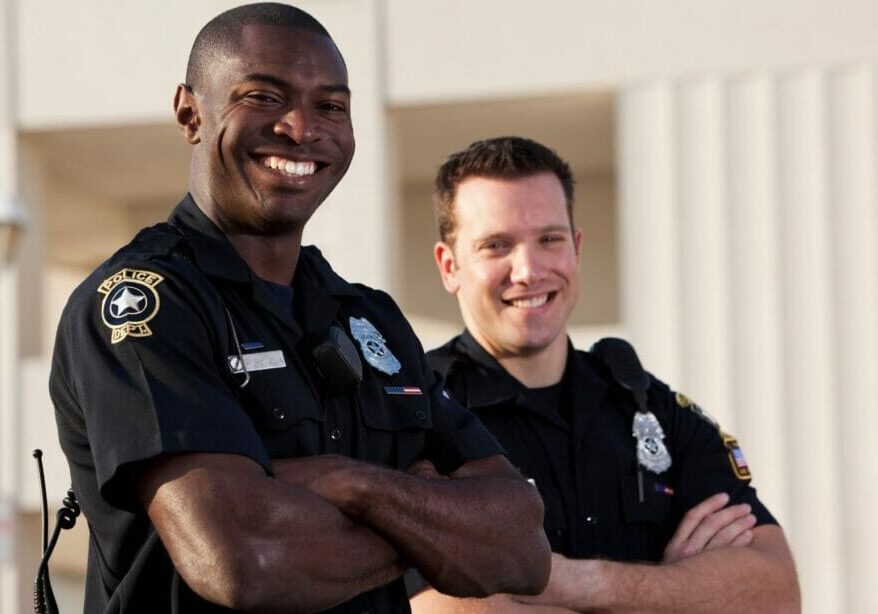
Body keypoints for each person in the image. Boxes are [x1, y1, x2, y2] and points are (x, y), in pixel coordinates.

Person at [49, 8, 551, 613]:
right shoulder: (145, 305)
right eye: (263, 96)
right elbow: (243, 560)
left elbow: (522, 547)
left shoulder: (370, 320)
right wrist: (434, 527)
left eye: (332, 107)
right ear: (190, 114)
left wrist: (356, 485)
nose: (301, 128)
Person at [410, 136, 800, 613]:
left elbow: (775, 594)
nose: (528, 270)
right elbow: (435, 609)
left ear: (575, 248)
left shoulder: (651, 409)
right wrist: (674, 590)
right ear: (450, 267)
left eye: (549, 239)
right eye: (497, 245)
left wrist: (582, 584)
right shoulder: (413, 417)